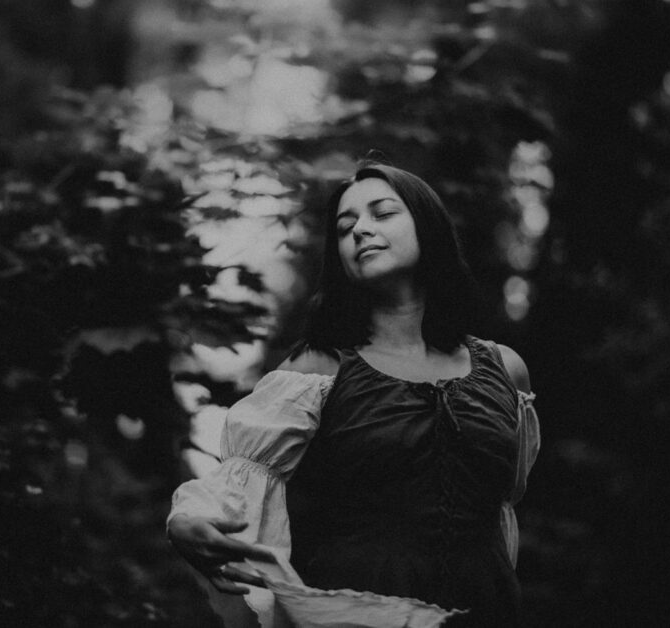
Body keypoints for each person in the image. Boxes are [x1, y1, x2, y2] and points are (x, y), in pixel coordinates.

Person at [167, 157, 540, 627]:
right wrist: (187, 520)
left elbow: (502, 508)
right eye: (346, 227)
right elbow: (241, 477)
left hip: (486, 609)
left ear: (429, 228)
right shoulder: (318, 367)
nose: (360, 230)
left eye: (382, 213)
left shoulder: (506, 369)